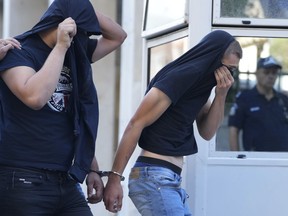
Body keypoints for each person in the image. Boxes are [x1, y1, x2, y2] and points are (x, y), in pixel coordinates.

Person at [0, 0, 126, 215]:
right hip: (22, 178)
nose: (87, 38)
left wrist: (90, 167)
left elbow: (117, 36)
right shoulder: (18, 51)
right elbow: (36, 97)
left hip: (66, 179)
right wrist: (60, 47)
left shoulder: (76, 52)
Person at [103, 30, 242, 215]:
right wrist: (114, 179)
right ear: (213, 58)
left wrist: (221, 94)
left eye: (233, 71)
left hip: (168, 179)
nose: (228, 75)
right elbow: (136, 123)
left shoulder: (199, 84)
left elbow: (207, 132)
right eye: (227, 68)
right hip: (154, 177)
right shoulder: (182, 76)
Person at [228, 56, 288, 151]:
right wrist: (237, 159)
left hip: (282, 159)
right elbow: (234, 129)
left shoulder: (283, 99)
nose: (271, 76)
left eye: (274, 73)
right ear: (257, 73)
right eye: (266, 72)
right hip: (256, 159)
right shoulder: (244, 98)